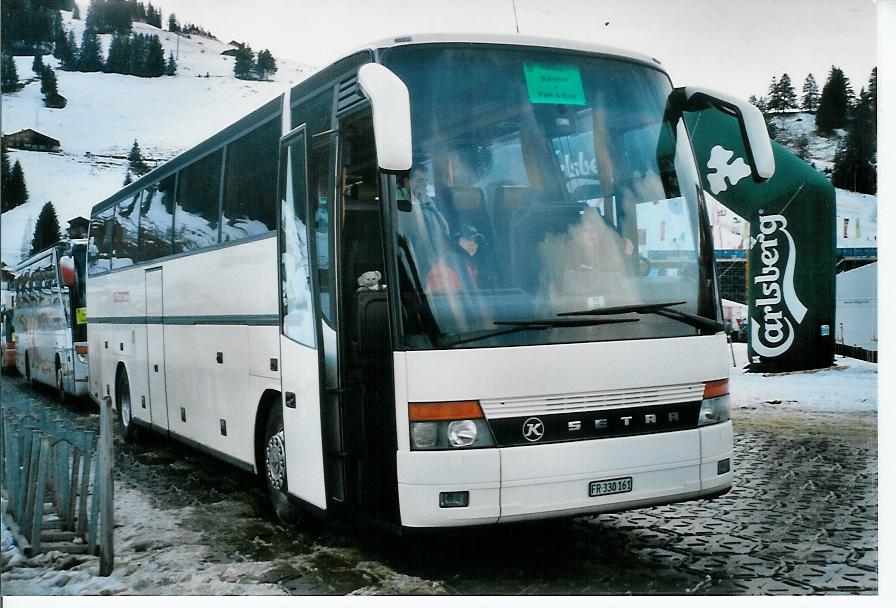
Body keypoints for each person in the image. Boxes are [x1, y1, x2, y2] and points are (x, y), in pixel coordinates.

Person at [426, 225, 487, 292]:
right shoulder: (443, 271)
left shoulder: (469, 267)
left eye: (475, 241)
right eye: (468, 239)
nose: (473, 244)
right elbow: (444, 300)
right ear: (456, 241)